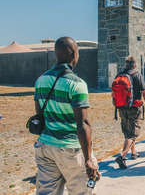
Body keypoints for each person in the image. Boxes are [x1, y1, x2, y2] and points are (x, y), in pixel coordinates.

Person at [33, 37, 100, 195]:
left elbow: (39, 115)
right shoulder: (77, 84)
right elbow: (83, 124)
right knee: (82, 191)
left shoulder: (40, 80)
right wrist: (88, 159)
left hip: (45, 147)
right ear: (73, 54)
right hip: (70, 148)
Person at [114, 56, 145, 169]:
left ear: (126, 64)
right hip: (134, 108)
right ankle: (122, 155)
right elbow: (144, 93)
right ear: (135, 65)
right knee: (132, 133)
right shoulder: (137, 75)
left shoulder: (119, 75)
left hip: (121, 108)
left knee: (127, 131)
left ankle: (133, 152)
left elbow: (113, 94)